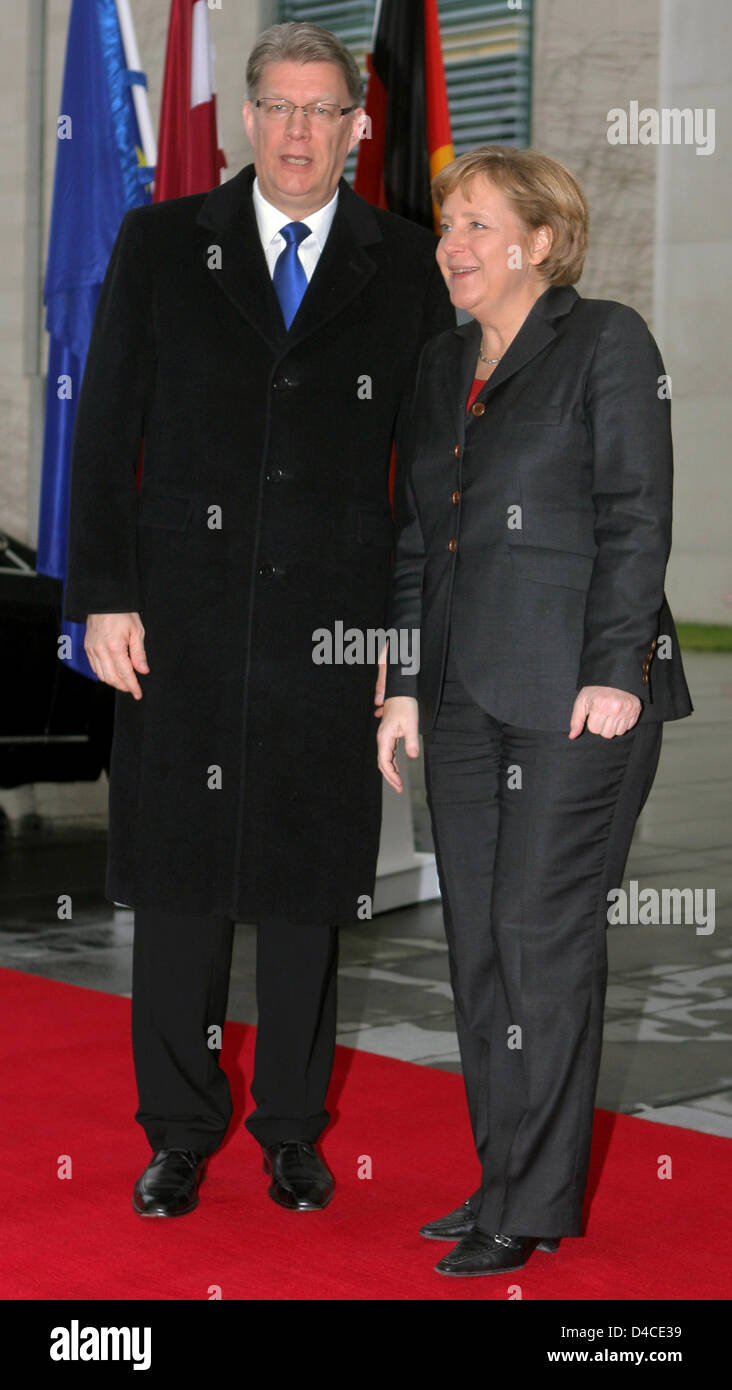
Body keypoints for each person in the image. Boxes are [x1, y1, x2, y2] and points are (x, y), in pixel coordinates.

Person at [64, 21, 453, 1219]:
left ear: (357, 126)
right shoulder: (160, 243)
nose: (297, 132)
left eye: (321, 110)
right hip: (177, 622)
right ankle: (178, 1129)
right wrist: (102, 597)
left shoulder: (409, 264)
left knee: (305, 888)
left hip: (327, 636)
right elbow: (106, 430)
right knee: (178, 885)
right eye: (278, 108)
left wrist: (406, 652)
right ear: (246, 118)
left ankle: (291, 1127)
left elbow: (432, 476)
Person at [376, 145, 692, 1276]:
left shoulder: (605, 341)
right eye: (447, 226)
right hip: (460, 695)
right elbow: (417, 541)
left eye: (474, 226)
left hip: (579, 698)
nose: (451, 246)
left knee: (539, 938)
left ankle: (537, 1200)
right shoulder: (439, 364)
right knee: (477, 948)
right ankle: (500, 1172)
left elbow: (635, 514)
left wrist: (617, 667)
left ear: (540, 243)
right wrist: (404, 682)